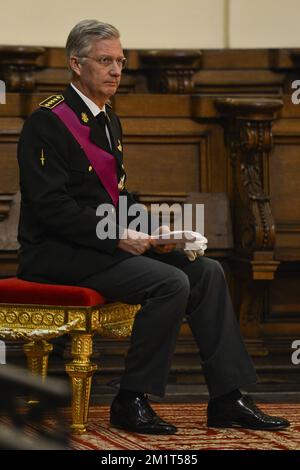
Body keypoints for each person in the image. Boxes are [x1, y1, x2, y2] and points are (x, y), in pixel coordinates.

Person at [17, 19, 289, 434]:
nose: (116, 70)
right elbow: (50, 206)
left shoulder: (108, 119)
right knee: (170, 283)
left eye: (120, 62)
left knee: (207, 272)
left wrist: (159, 233)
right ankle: (131, 399)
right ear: (76, 64)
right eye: (105, 61)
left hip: (99, 247)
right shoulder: (48, 121)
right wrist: (116, 235)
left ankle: (228, 397)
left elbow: (118, 198)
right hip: (58, 254)